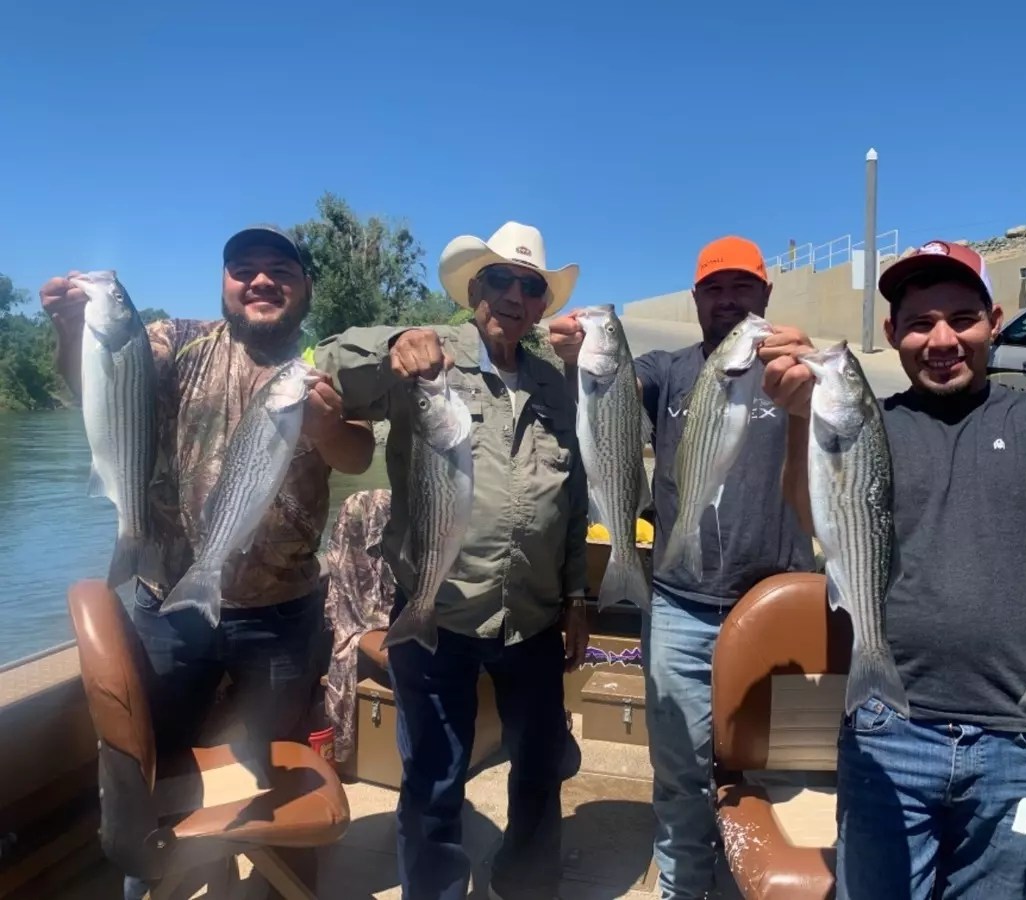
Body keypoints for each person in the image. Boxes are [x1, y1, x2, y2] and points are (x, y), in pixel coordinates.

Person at [760, 241, 1026, 899]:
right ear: (891, 334)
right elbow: (811, 513)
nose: (942, 338)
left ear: (995, 321)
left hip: (1016, 740)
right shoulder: (872, 424)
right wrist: (800, 420)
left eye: (961, 318)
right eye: (919, 322)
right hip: (889, 731)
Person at [41, 225, 376, 898]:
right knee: (154, 771)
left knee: (265, 770)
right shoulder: (172, 340)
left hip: (281, 618)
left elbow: (358, 456)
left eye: (279, 269)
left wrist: (328, 427)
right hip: (166, 608)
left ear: (305, 288)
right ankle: (158, 883)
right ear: (223, 285)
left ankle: (263, 882)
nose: (259, 280)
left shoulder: (328, 365)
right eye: (242, 269)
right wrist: (74, 330)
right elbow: (100, 386)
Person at [314, 220, 589, 900]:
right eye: (499, 279)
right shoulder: (425, 358)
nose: (514, 296)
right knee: (434, 778)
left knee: (539, 769)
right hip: (439, 612)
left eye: (530, 286)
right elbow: (326, 360)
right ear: (474, 289)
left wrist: (579, 597)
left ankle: (524, 884)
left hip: (532, 618)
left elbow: (577, 496)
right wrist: (391, 344)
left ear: (541, 304)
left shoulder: (558, 385)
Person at [547, 235, 818, 899]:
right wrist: (577, 359)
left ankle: (758, 880)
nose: (729, 301)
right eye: (715, 289)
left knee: (783, 774)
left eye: (742, 288)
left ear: (765, 297)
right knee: (680, 775)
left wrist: (818, 379)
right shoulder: (666, 372)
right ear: (698, 299)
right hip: (681, 607)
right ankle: (683, 884)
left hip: (780, 608)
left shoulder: (792, 373)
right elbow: (605, 404)